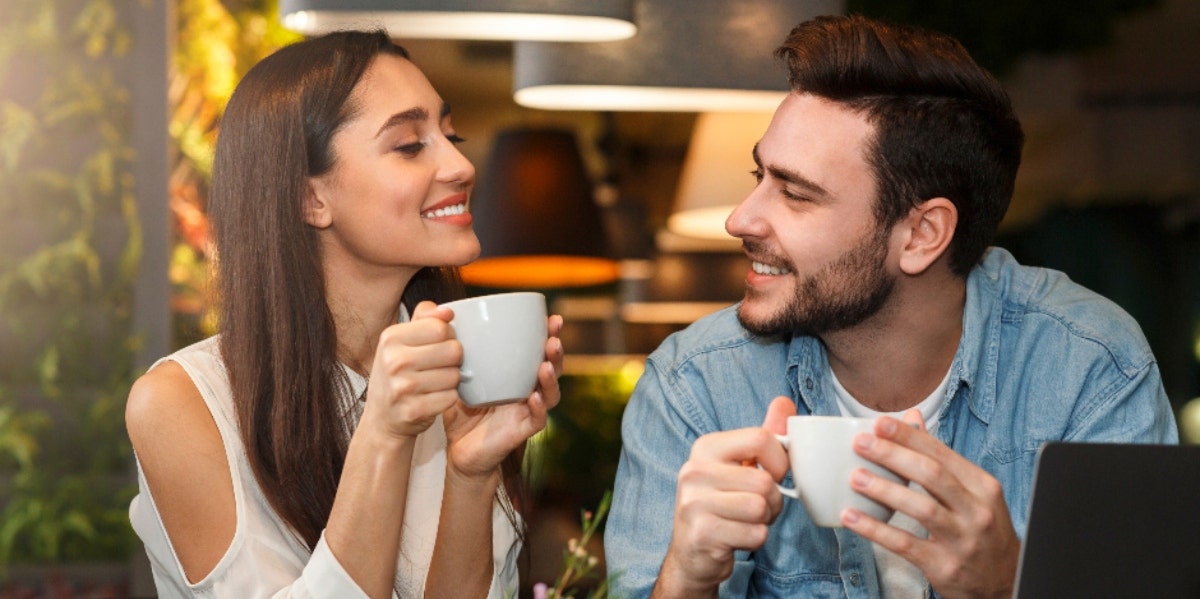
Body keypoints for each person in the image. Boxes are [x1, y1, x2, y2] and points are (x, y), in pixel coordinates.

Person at [605, 14, 1178, 599]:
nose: (739, 219)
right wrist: (685, 580)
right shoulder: (695, 383)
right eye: (759, 176)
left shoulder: (1090, 366)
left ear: (923, 234)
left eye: (796, 194)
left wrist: (1008, 585)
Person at [125, 30, 563, 599]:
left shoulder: (459, 376)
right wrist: (384, 429)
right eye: (410, 144)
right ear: (311, 199)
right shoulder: (183, 403)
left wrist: (471, 473)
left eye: (451, 134)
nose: (460, 164)